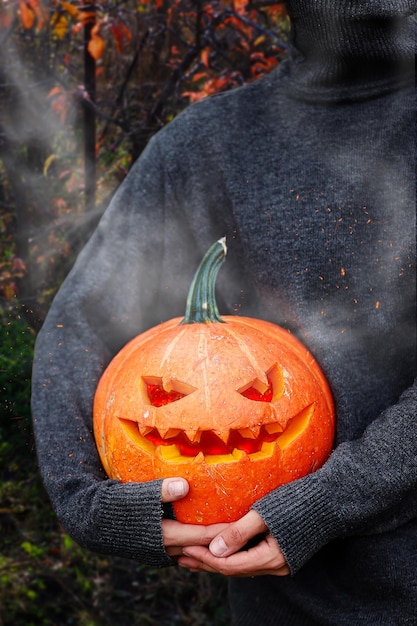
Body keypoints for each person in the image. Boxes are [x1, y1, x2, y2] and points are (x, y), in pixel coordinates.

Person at [31, 0, 417, 623]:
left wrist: (328, 502)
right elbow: (84, 324)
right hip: (280, 607)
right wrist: (89, 502)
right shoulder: (210, 141)